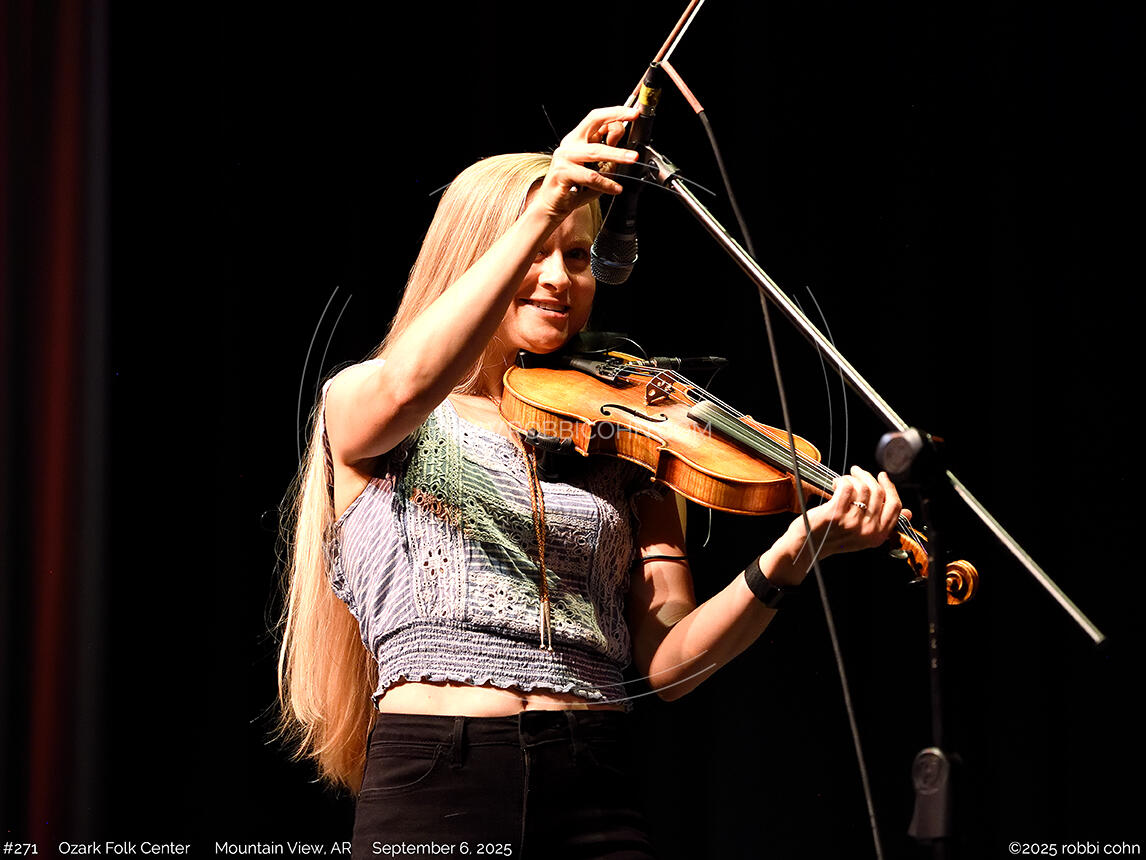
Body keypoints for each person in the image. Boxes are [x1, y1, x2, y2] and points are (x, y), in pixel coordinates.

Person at [277, 105, 905, 858]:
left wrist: (788, 559)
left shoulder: (623, 442)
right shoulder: (369, 403)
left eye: (578, 257)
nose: (559, 279)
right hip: (439, 779)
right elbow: (410, 383)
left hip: (593, 785)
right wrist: (547, 202)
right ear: (480, 259)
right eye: (537, 250)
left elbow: (670, 664)